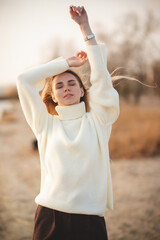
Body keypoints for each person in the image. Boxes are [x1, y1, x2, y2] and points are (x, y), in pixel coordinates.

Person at [16, 5, 120, 240]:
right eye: (59, 86)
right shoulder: (45, 125)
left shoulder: (98, 120)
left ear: (83, 92)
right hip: (49, 216)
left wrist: (85, 29)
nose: (66, 88)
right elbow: (23, 80)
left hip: (90, 219)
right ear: (53, 96)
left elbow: (102, 80)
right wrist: (65, 63)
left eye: (72, 83)